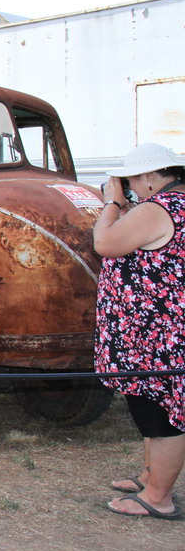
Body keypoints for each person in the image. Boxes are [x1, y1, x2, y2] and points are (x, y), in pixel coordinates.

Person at [94, 142, 185, 520]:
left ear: (150, 177)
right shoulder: (173, 206)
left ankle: (158, 497)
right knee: (152, 409)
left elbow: (105, 242)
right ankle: (151, 477)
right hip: (160, 332)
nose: (129, 186)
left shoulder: (160, 207)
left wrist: (112, 203)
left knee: (162, 416)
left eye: (131, 180)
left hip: (155, 337)